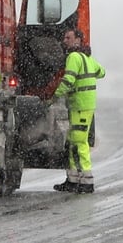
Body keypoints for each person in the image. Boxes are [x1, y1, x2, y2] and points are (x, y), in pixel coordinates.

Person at [50, 28, 106, 194]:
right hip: (84, 105)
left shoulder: (74, 57)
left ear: (78, 40)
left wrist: (55, 95)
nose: (64, 40)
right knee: (74, 141)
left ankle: (86, 180)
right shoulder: (86, 58)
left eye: (68, 37)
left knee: (79, 142)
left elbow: (69, 79)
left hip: (80, 105)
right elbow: (101, 72)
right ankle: (74, 179)